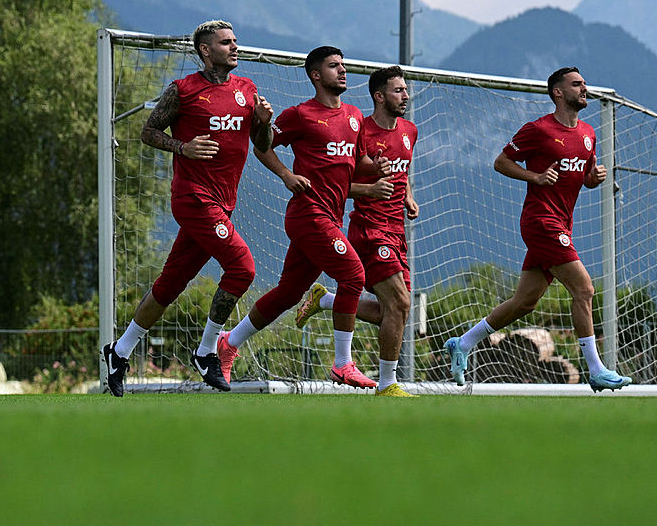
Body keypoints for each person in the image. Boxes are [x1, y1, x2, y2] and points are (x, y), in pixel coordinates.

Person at [101, 20, 273, 396]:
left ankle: (120, 351)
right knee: (243, 267)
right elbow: (148, 132)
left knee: (171, 284)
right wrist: (184, 147)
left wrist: (263, 123)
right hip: (193, 198)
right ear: (206, 50)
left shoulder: (248, 90)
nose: (235, 47)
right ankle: (207, 349)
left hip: (223, 204)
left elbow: (262, 142)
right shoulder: (183, 90)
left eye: (235, 41)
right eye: (226, 43)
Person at [443, 66, 632, 392]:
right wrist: (536, 177)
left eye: (584, 83)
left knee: (524, 301)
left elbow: (583, 177)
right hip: (541, 223)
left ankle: (462, 343)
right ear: (558, 92)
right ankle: (596, 370)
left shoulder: (588, 133)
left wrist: (593, 179)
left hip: (562, 225)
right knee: (584, 289)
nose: (584, 88)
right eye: (576, 84)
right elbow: (501, 162)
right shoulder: (539, 129)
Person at [218, 46, 390, 389]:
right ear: (315, 75)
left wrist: (375, 166)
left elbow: (353, 163)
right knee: (353, 274)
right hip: (308, 215)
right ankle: (343, 364)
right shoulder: (300, 115)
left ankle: (228, 343)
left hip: (331, 217)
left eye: (343, 66)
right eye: (333, 66)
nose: (342, 71)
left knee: (289, 293)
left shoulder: (355, 116)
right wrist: (285, 174)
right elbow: (261, 145)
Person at [293, 66, 421, 396]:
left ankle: (325, 300)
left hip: (397, 231)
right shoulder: (358, 131)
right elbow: (336, 184)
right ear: (379, 96)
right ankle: (388, 385)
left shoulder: (410, 130)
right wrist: (370, 191)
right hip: (369, 230)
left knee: (389, 313)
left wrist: (407, 196)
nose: (405, 95)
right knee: (402, 304)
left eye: (406, 90)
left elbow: (402, 171)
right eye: (398, 90)